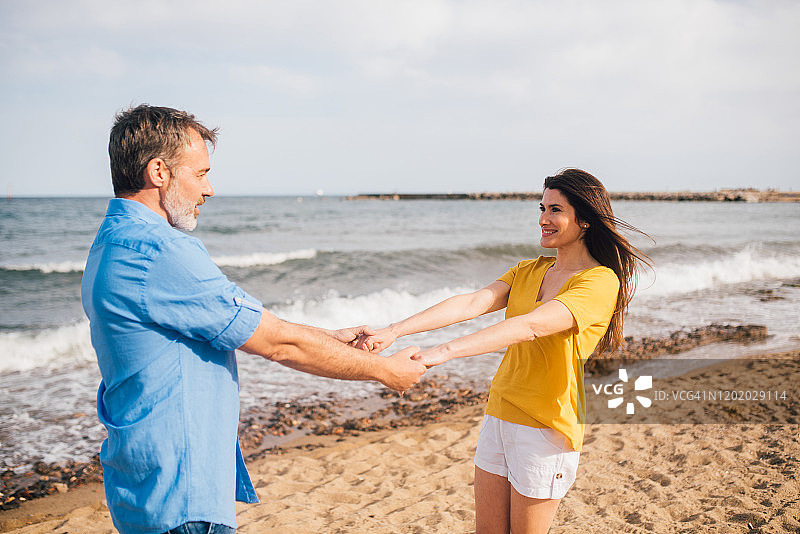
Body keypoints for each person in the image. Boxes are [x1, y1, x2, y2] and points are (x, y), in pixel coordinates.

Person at [81, 104, 426, 534]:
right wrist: (385, 371)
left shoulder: (111, 243)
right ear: (159, 172)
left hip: (144, 488)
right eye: (200, 173)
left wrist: (330, 338)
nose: (209, 189)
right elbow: (277, 344)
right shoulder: (159, 251)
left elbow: (249, 324)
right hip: (181, 498)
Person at [358, 169, 651, 534]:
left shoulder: (599, 281)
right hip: (500, 413)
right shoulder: (529, 270)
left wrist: (444, 352)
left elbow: (530, 326)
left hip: (546, 427)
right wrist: (394, 330)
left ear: (585, 220)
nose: (543, 219)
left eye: (556, 210)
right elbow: (472, 302)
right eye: (542, 208)